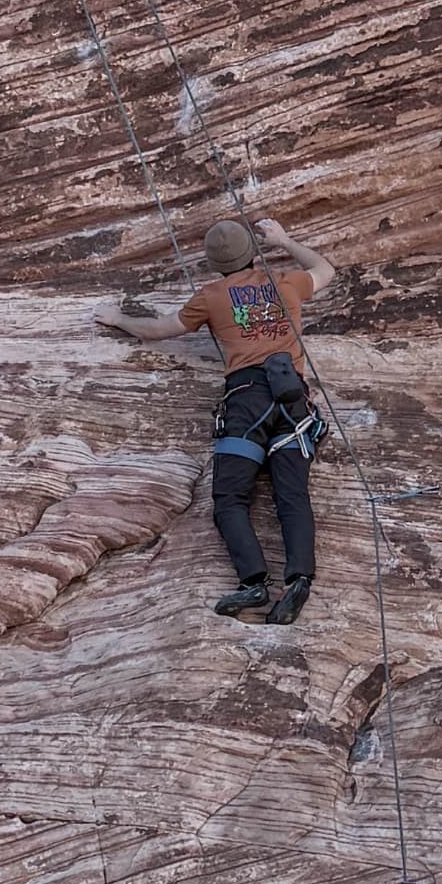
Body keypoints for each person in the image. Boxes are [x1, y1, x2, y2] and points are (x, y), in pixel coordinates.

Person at [98, 211, 337, 625]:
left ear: (215, 263)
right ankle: (298, 580)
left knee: (230, 499)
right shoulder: (286, 284)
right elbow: (325, 269)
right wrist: (282, 241)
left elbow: (160, 329)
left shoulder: (210, 297)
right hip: (291, 399)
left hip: (246, 402)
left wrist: (118, 319)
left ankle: (253, 582)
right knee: (292, 496)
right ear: (251, 253)